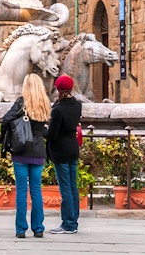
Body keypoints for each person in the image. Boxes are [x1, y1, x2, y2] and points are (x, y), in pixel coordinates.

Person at [0, 73, 51, 239]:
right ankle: (38, 228)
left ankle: (21, 229)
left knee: (22, 190)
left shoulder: (22, 103)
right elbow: (44, 129)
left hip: (21, 152)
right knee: (36, 191)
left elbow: (6, 120)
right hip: (37, 153)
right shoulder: (44, 103)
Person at [46, 74, 82, 235]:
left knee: (65, 188)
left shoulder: (58, 110)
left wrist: (42, 130)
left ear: (58, 89)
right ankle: (73, 221)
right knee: (73, 187)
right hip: (73, 148)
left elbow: (52, 135)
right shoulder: (77, 105)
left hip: (60, 150)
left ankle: (67, 223)